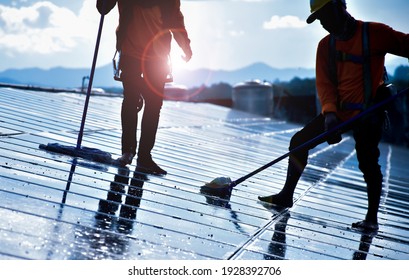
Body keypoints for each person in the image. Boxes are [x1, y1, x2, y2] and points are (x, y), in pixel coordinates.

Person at [259, 0, 409, 232]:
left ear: (340, 6)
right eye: (319, 19)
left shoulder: (375, 33)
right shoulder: (325, 46)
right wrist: (329, 114)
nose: (323, 23)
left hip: (369, 113)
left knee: (368, 162)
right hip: (338, 112)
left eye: (325, 15)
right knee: (299, 142)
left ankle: (371, 219)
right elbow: (325, 84)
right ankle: (286, 196)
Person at [97, 0, 192, 175]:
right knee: (138, 102)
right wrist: (185, 47)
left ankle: (139, 155)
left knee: (148, 104)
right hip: (137, 54)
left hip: (155, 58)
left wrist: (186, 45)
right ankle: (134, 154)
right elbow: (103, 8)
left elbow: (175, 19)